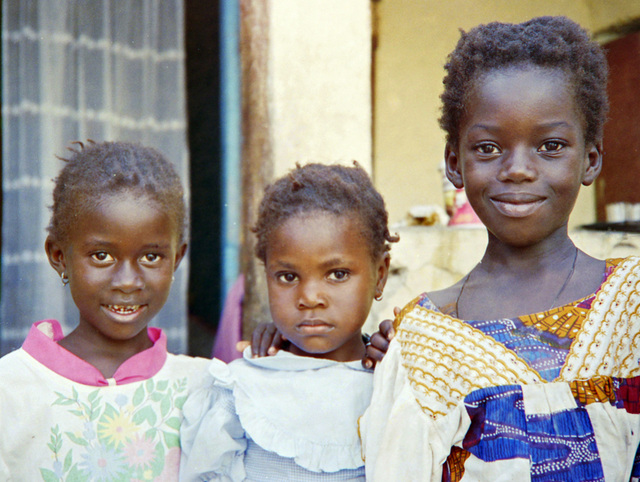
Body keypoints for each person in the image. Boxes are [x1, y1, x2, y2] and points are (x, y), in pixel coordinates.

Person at [360, 16, 640, 481]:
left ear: (590, 159)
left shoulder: (631, 307)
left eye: (550, 145)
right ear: (455, 163)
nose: (518, 170)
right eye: (489, 148)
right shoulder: (425, 341)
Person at [0, 141, 211, 481]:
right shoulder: (9, 390)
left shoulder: (204, 389)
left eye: (151, 257)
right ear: (59, 256)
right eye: (102, 256)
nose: (127, 282)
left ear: (177, 258)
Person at [180, 162, 397, 481]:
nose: (309, 297)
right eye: (288, 276)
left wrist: (405, 366)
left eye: (337, 274)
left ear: (380, 276)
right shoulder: (243, 390)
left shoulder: (394, 383)